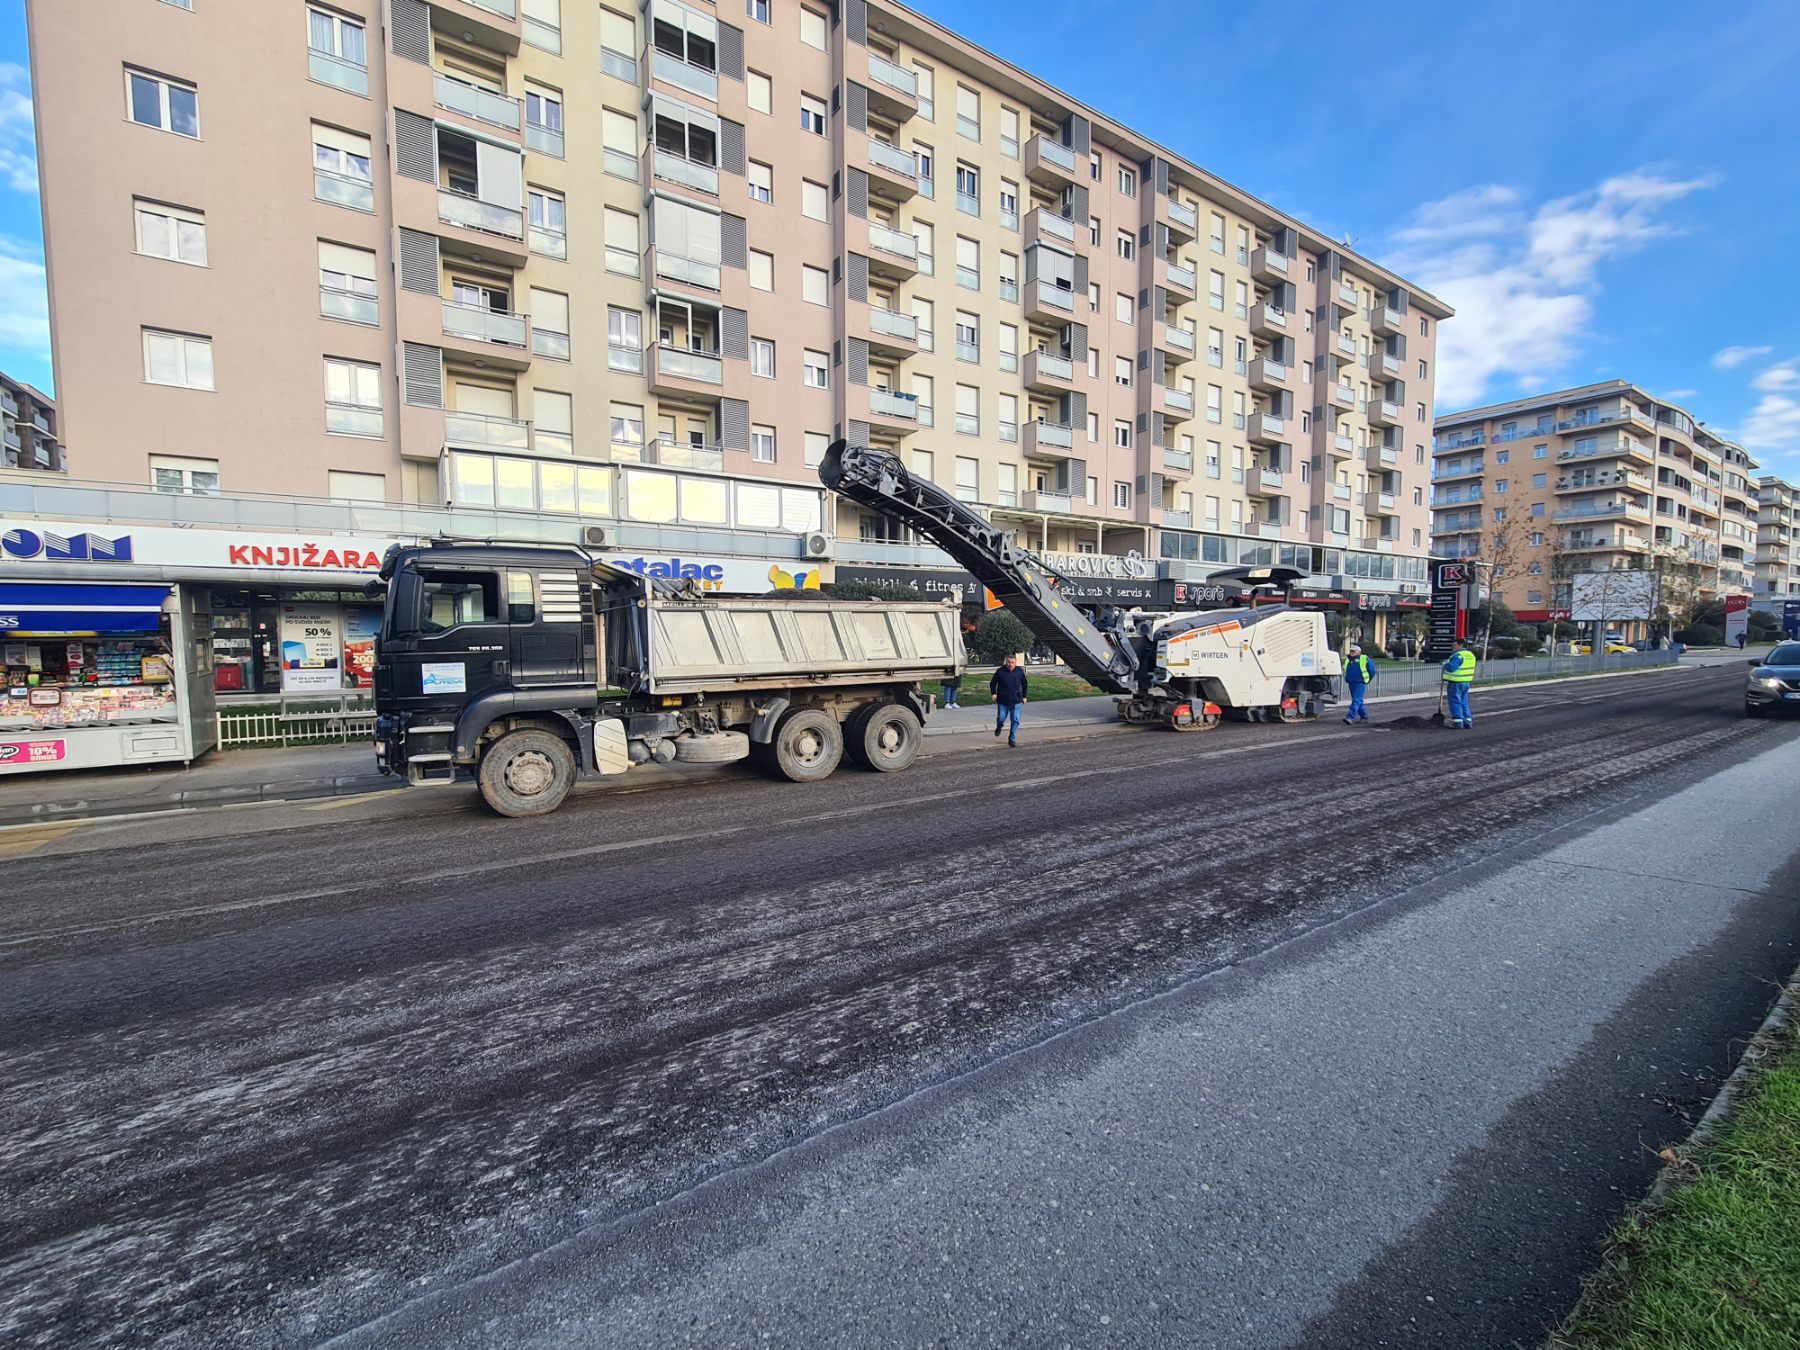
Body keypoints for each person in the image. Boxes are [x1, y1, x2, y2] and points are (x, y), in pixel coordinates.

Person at [990, 654, 1028, 746]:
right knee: (1001, 718)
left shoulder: (1019, 671)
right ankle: (999, 727)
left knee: (1015, 720)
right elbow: (993, 683)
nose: (1010, 664)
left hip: (1016, 700)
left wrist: (1024, 696)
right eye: (1009, 662)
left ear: (1016, 663)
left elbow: (1024, 683)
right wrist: (994, 693)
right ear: (1006, 662)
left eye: (1012, 663)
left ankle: (1012, 738)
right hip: (1003, 700)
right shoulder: (1000, 671)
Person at [1442, 638, 1477, 729]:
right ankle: (1467, 721)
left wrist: (1445, 664)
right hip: (1466, 682)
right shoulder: (1470, 655)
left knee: (1455, 701)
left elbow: (1452, 668)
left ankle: (1458, 722)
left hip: (1456, 682)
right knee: (1464, 702)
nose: (1452, 647)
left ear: (1460, 645)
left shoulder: (1458, 656)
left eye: (1454, 645)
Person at [1342, 645, 1373, 724]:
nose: (1351, 652)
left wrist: (1367, 679)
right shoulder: (1349, 660)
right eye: (1351, 651)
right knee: (1358, 701)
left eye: (1353, 651)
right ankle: (1364, 717)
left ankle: (1350, 717)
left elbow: (1372, 670)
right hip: (1351, 682)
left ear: (1358, 652)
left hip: (1360, 683)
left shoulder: (1364, 659)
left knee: (1356, 700)